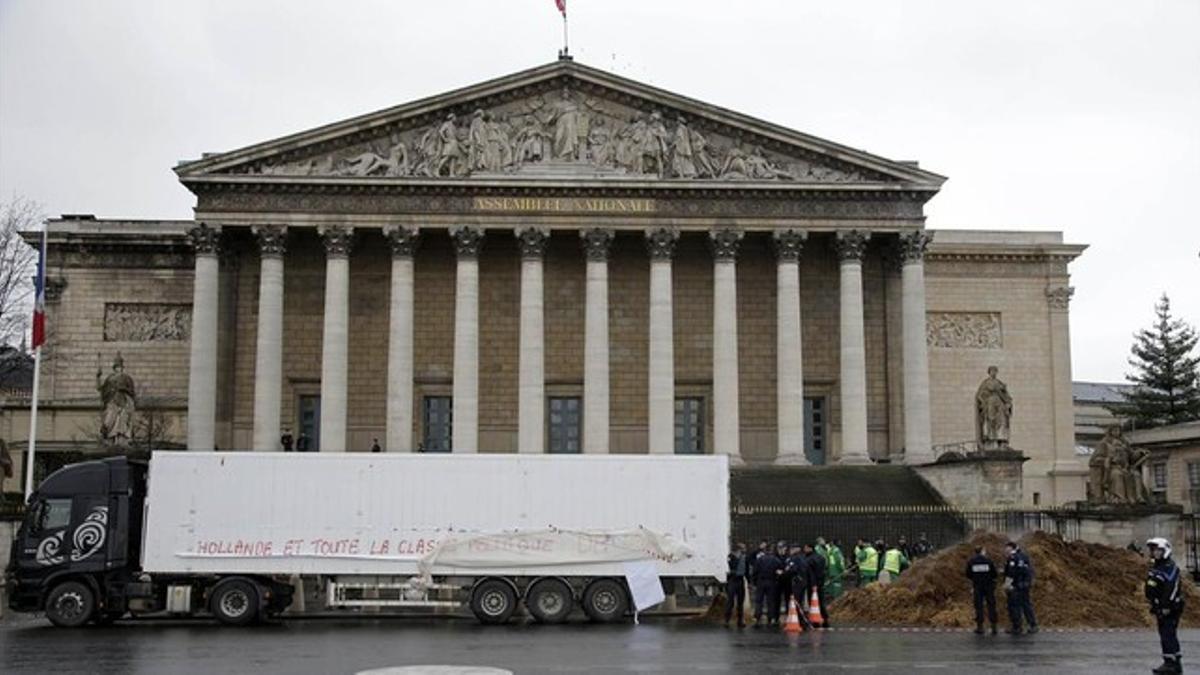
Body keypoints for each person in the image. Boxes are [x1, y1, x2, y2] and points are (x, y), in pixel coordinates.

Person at [1145, 537, 1184, 674]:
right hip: (1160, 606)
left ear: (1165, 551)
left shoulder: (1170, 567)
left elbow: (1171, 588)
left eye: (1157, 550)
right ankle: (1173, 661)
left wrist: (1166, 606)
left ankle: (1171, 664)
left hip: (1170, 608)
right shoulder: (1157, 566)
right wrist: (1153, 602)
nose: (1154, 553)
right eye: (1153, 550)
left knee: (1168, 634)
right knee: (1165, 634)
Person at [1003, 541, 1038, 635]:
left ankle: (1017, 627)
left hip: (1016, 586)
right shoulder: (1024, 556)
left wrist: (1007, 585)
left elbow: (1011, 573)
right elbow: (1028, 571)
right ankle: (1033, 625)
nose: (1005, 550)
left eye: (1007, 548)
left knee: (1014, 606)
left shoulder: (1013, 558)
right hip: (1025, 585)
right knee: (1026, 605)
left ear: (1011, 548)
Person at [965, 545, 999, 635]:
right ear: (982, 551)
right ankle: (994, 626)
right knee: (991, 605)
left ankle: (980, 627)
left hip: (977, 586)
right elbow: (994, 574)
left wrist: (975, 578)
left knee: (978, 606)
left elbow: (968, 574)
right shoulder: (988, 561)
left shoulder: (971, 562)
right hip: (988, 586)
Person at [752, 541, 783, 627]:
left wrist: (755, 582)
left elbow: (755, 572)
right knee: (771, 601)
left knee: (759, 601)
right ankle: (770, 618)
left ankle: (757, 618)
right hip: (771, 582)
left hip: (761, 582)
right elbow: (780, 571)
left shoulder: (759, 560)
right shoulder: (776, 560)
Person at [784, 544, 812, 627]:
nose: (790, 551)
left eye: (791, 549)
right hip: (803, 581)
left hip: (797, 582)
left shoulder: (794, 558)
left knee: (796, 602)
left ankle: (800, 620)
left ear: (795, 549)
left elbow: (792, 569)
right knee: (800, 601)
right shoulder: (803, 557)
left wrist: (786, 571)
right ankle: (801, 619)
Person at [804, 543, 829, 627]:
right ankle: (825, 618)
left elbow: (810, 573)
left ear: (810, 548)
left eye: (806, 548)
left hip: (812, 584)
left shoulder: (809, 559)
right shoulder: (821, 558)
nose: (804, 550)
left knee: (813, 602)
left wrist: (812, 583)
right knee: (821, 601)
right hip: (820, 583)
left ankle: (815, 620)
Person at [724, 542, 749, 628]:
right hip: (732, 580)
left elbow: (746, 570)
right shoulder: (731, 557)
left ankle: (740, 620)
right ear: (739, 549)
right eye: (743, 549)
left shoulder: (744, 558)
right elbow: (728, 569)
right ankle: (727, 620)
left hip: (740, 580)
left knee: (740, 602)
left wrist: (749, 581)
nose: (745, 550)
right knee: (730, 601)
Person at [747, 539, 770, 619]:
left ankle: (769, 615)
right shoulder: (756, 553)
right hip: (759, 578)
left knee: (768, 598)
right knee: (759, 599)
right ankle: (758, 614)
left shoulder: (769, 554)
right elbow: (750, 559)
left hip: (767, 578)